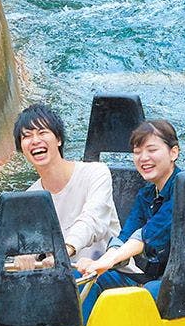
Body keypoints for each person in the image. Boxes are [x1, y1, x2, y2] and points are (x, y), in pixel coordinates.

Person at [77, 119, 181, 322]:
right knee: (87, 280)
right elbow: (125, 237)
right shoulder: (147, 195)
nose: (144, 158)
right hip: (157, 276)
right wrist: (98, 265)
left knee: (147, 293)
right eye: (137, 152)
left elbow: (147, 235)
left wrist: (106, 261)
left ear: (173, 153)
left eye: (151, 150)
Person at [16, 103, 119, 263]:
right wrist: (24, 257)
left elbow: (93, 219)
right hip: (61, 278)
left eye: (42, 132)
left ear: (58, 139)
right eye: (27, 136)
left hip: (109, 271)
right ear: (21, 148)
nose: (35, 140)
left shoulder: (96, 173)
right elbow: (30, 244)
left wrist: (66, 249)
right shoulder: (29, 198)